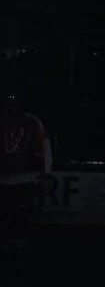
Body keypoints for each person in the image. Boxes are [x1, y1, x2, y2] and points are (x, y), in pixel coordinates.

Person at [0, 93, 51, 268]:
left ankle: (17, 255)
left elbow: (44, 149)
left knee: (16, 219)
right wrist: (45, 175)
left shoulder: (31, 122)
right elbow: (45, 150)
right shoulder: (33, 121)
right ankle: (18, 256)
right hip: (23, 178)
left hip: (14, 179)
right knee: (19, 220)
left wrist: (44, 175)